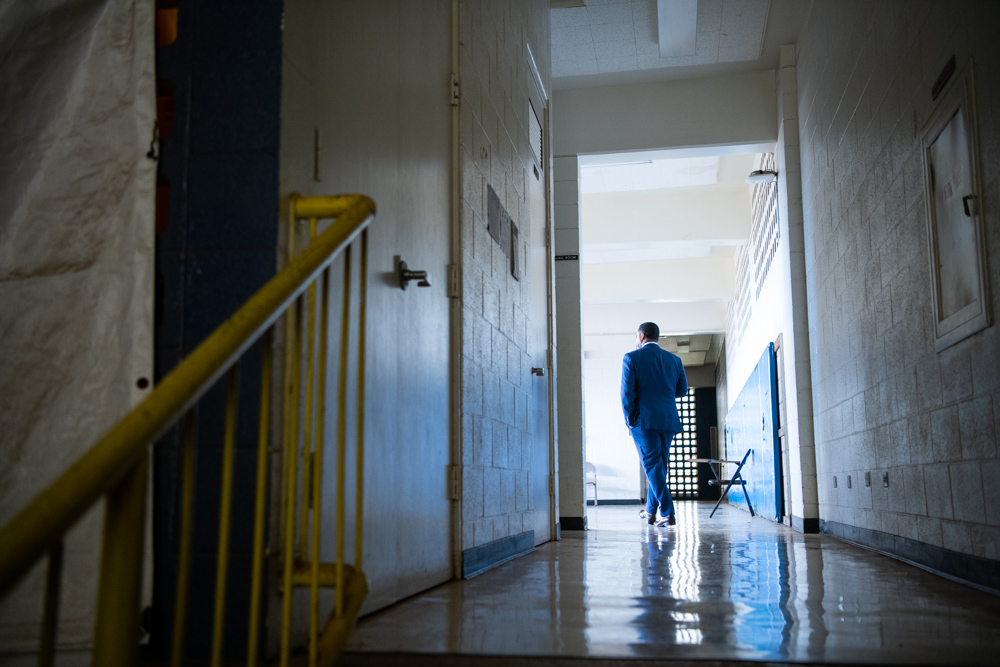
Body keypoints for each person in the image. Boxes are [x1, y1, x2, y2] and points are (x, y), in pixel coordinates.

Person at [621, 322, 688, 526]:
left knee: (651, 465)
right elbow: (682, 390)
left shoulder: (632, 357)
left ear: (641, 336)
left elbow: (627, 393)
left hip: (644, 420)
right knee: (659, 466)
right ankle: (650, 512)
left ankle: (667, 513)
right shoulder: (674, 360)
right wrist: (664, 395)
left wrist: (629, 420)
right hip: (668, 419)